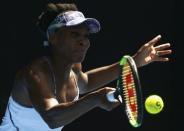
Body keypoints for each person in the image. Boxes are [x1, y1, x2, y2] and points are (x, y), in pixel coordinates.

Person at [0, 2, 172, 131]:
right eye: (74, 34)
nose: (83, 41)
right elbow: (51, 118)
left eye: (86, 35)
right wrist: (94, 99)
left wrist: (136, 61)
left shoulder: (74, 68)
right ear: (53, 37)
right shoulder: (35, 74)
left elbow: (86, 81)